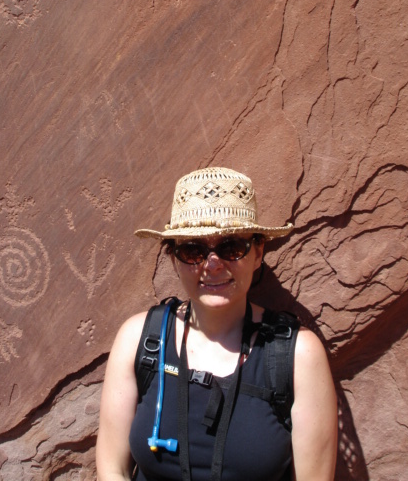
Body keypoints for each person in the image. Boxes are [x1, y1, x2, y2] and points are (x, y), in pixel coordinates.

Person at [96, 167, 338, 481]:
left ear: (258, 252)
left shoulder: (296, 357)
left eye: (231, 247)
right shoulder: (140, 340)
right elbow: (111, 467)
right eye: (193, 249)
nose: (212, 264)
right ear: (174, 258)